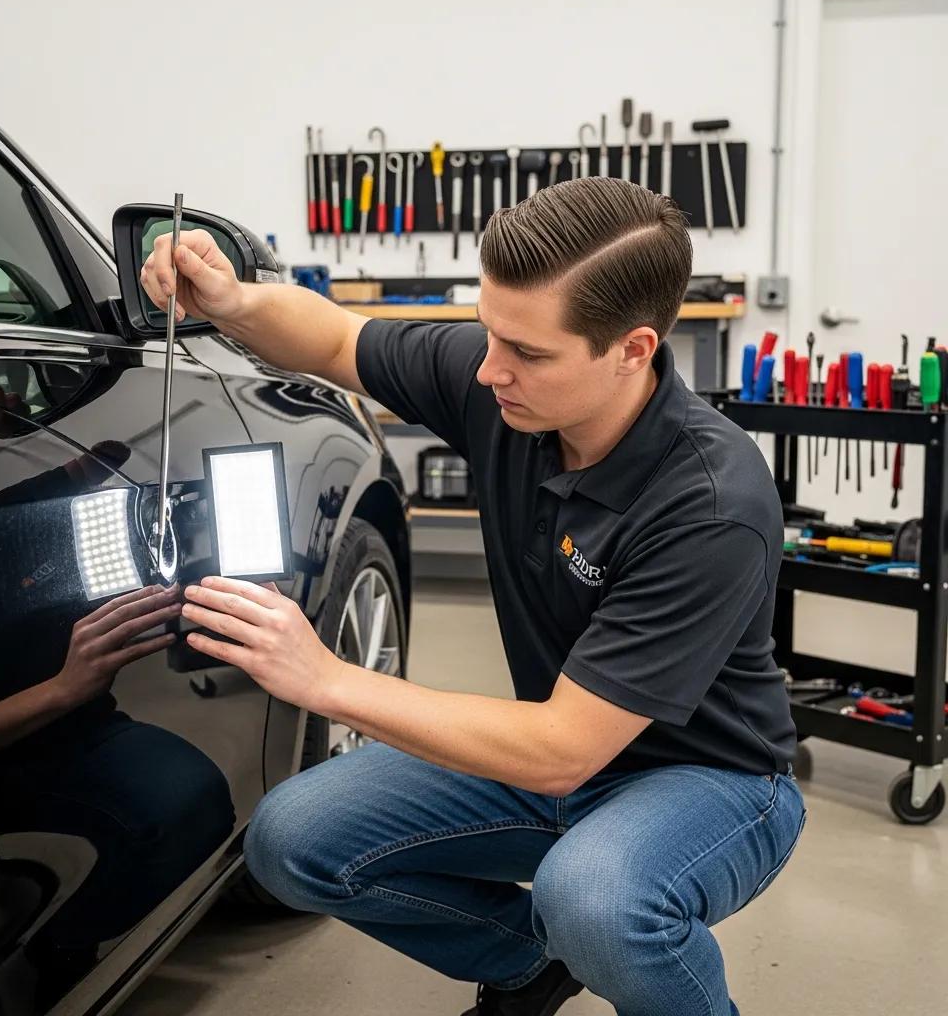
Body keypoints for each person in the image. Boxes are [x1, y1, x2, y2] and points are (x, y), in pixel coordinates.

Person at [142, 177, 806, 1016]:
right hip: (558, 756)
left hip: (712, 782)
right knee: (293, 842)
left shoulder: (710, 504)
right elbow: (335, 337)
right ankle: (528, 962)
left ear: (633, 350)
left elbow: (563, 748)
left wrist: (323, 678)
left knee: (595, 900)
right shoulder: (507, 386)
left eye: (527, 353)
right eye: (491, 334)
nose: (491, 370)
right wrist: (233, 298)